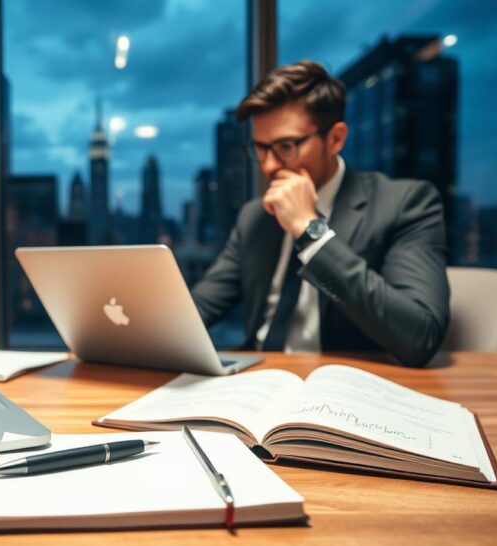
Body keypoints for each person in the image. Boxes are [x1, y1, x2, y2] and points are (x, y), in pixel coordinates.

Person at [191, 60, 449, 368]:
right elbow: (197, 310)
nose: (270, 165)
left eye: (286, 146)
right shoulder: (255, 217)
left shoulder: (406, 202)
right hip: (257, 380)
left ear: (336, 139)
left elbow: (421, 336)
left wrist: (309, 230)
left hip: (348, 389)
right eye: (260, 149)